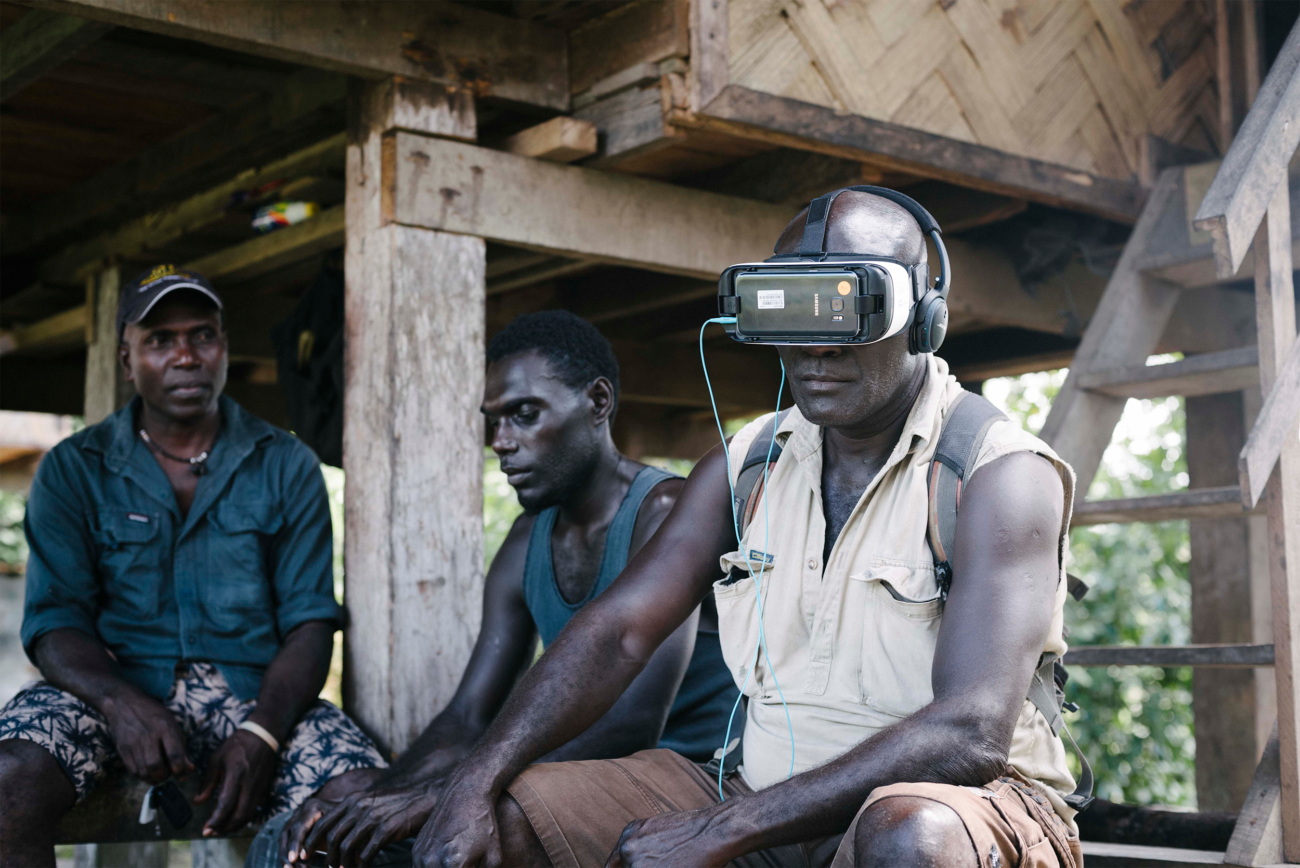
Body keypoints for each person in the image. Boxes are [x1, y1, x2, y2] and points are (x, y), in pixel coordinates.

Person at [405, 190, 1084, 868]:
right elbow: (618, 632)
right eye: (787, 310)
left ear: (922, 319)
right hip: (763, 800)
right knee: (503, 817)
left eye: (849, 309)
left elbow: (970, 732)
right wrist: (473, 779)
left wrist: (724, 828)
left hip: (964, 806)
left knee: (909, 839)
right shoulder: (747, 465)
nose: (813, 346)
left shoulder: (998, 472)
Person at [257, 311, 740, 868]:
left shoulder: (664, 511)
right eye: (493, 423)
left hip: (687, 787)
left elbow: (631, 723)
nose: (501, 442)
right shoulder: (526, 540)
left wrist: (449, 791)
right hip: (578, 781)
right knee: (328, 829)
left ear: (598, 402)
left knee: (458, 838)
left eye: (524, 415)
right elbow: (468, 716)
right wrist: (385, 789)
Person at [0, 266, 385, 868]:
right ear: (128, 361)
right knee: (8, 780)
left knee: (362, 805)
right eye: (159, 340)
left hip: (257, 699)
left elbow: (311, 623)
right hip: (112, 693)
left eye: (202, 335)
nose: (185, 355)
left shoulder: (285, 463)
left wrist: (261, 733)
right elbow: (54, 623)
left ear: (224, 349)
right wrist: (119, 701)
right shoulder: (75, 468)